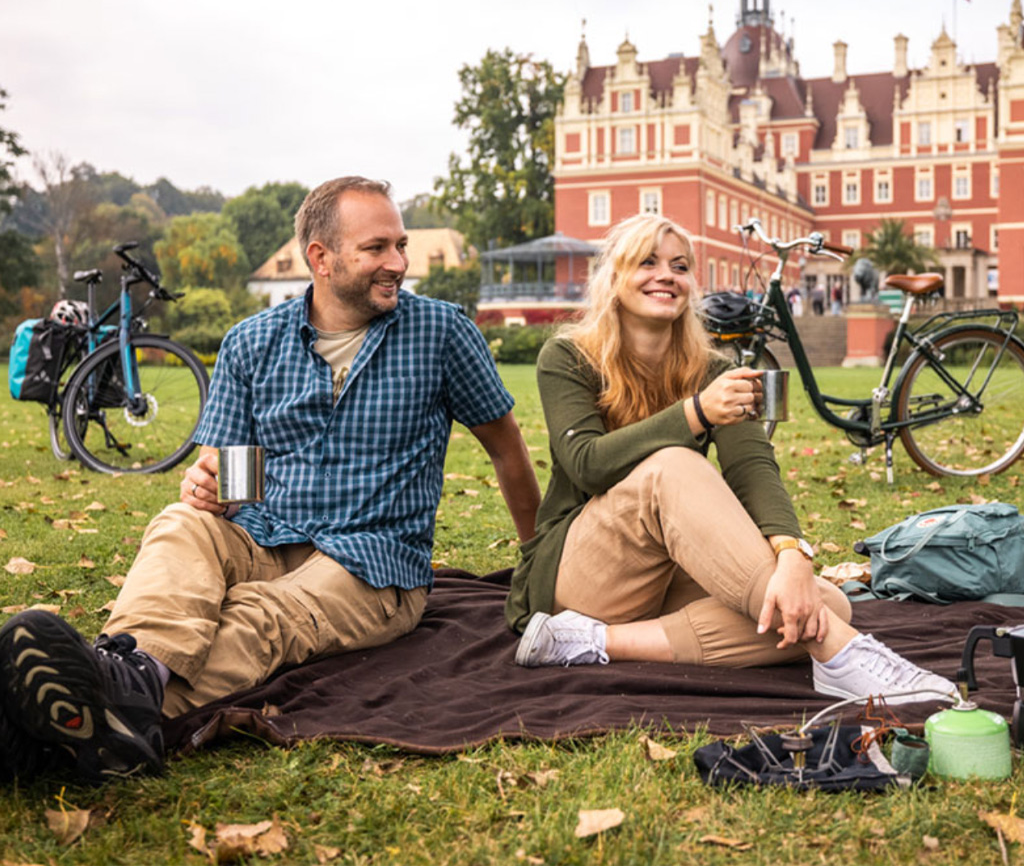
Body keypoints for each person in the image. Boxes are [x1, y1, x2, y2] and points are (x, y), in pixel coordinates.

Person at [0, 175, 540, 786]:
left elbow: (508, 453)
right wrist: (211, 488)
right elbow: (227, 469)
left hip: (372, 563)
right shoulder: (252, 342)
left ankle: (83, 716)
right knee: (180, 524)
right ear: (321, 258)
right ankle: (123, 678)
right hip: (263, 533)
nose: (398, 263)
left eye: (401, 245)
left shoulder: (442, 333)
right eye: (377, 249)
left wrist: (539, 564)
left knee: (263, 613)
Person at [506, 213, 954, 708]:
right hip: (581, 574)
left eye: (680, 266)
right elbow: (586, 462)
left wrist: (791, 556)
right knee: (672, 464)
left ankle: (586, 642)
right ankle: (843, 657)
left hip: (658, 579)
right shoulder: (568, 357)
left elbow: (752, 469)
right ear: (614, 277)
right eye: (647, 262)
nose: (666, 276)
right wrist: (697, 413)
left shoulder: (715, 370)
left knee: (827, 601)